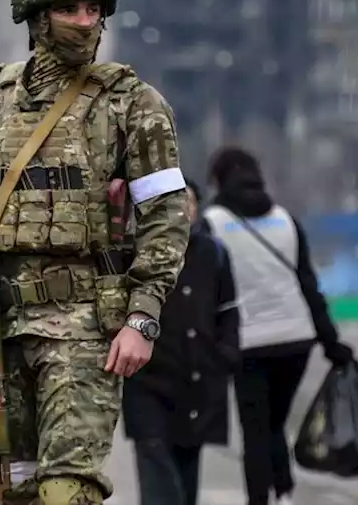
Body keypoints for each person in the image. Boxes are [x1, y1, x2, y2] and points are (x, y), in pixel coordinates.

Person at [0, 0, 191, 505]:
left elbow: (166, 220)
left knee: (69, 490)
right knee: (13, 488)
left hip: (85, 327)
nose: (84, 22)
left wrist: (143, 317)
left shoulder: (132, 105)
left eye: (94, 10)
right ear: (37, 16)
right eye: (71, 8)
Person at [201, 146, 357, 505]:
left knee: (255, 429)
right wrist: (331, 343)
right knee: (275, 423)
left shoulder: (213, 224)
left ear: (218, 180)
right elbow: (308, 285)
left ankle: (260, 500)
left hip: (248, 342)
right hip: (296, 340)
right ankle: (284, 494)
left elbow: (208, 290)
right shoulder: (287, 220)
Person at [124, 179, 239, 505]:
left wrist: (226, 354)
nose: (182, 209)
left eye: (187, 201)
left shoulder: (213, 253)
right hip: (147, 378)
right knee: (154, 457)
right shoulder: (137, 250)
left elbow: (228, 312)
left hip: (197, 378)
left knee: (187, 473)